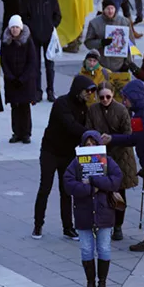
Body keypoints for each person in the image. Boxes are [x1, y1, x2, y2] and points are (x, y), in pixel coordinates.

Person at [104, 80, 144, 251]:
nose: (124, 102)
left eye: (126, 98)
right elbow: (135, 139)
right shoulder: (139, 113)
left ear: (135, 97)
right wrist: (113, 138)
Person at [34, 75, 94, 240]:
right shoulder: (61, 103)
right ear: (78, 90)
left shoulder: (84, 107)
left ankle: (68, 227)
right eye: (87, 90)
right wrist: (90, 134)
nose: (89, 94)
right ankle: (38, 225)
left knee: (67, 190)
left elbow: (84, 125)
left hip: (68, 153)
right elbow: (71, 125)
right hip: (50, 151)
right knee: (45, 188)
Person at [64, 131, 123, 287]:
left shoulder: (108, 162)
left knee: (104, 247)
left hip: (104, 211)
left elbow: (116, 180)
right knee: (86, 249)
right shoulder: (76, 163)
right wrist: (91, 189)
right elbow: (68, 184)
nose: (90, 147)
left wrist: (94, 181)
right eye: (87, 144)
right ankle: (90, 283)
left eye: (93, 144)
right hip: (84, 212)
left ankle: (102, 282)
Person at [87, 84, 138, 241]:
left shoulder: (122, 110)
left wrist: (112, 139)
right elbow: (87, 130)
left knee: (118, 192)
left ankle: (118, 226)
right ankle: (101, 223)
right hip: (99, 154)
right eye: (101, 97)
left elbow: (128, 133)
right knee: (98, 191)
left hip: (120, 155)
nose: (105, 100)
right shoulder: (93, 110)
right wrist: (96, 139)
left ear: (113, 95)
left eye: (108, 96)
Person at [20, 0, 61, 102]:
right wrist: (30, 28)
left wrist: (52, 26)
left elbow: (57, 14)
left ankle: (50, 90)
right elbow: (23, 15)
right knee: (35, 65)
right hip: (33, 37)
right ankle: (37, 91)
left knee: (50, 65)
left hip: (48, 36)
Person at [0, 14, 39, 144]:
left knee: (25, 107)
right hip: (12, 81)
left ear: (21, 28)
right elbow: (3, 60)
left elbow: (32, 61)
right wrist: (10, 76)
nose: (14, 30)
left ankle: (26, 133)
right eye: (13, 27)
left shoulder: (27, 41)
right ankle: (16, 132)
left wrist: (23, 78)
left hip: (25, 81)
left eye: (17, 27)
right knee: (14, 107)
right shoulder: (6, 42)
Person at [84, 0, 133, 73]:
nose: (110, 11)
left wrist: (127, 63)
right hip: (101, 65)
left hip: (119, 64)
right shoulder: (94, 23)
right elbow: (88, 43)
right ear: (103, 10)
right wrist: (101, 42)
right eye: (108, 9)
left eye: (112, 8)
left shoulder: (124, 22)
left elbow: (131, 45)